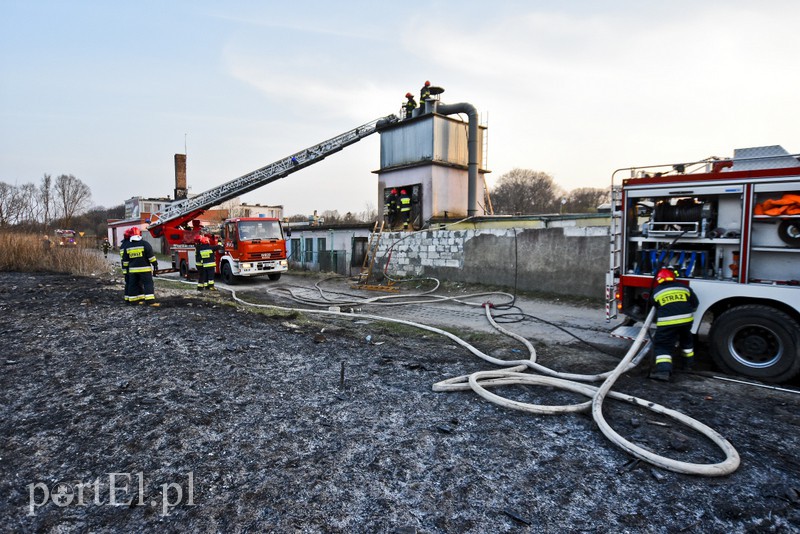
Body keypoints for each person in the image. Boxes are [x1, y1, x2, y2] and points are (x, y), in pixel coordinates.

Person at [649, 267, 699, 381]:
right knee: (686, 343)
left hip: (667, 323)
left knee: (663, 346)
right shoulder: (684, 288)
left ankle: (663, 372)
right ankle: (688, 367)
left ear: (659, 279)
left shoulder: (657, 291)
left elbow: (656, 306)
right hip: (686, 321)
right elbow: (695, 303)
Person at [122, 227, 160, 306]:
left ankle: (133, 301)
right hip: (145, 270)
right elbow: (151, 256)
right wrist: (155, 264)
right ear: (139, 234)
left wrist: (125, 270)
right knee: (148, 284)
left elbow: (125, 260)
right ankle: (150, 301)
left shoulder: (128, 246)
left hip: (133, 271)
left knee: (133, 284)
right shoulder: (145, 244)